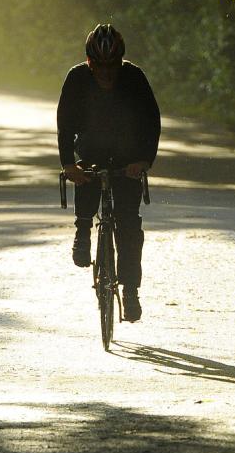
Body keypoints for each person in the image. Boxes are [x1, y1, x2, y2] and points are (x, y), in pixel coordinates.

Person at [57, 23, 161, 323]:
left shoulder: (135, 78)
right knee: (87, 173)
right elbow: (65, 124)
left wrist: (143, 160)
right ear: (89, 62)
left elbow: (151, 121)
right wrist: (68, 164)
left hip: (129, 153)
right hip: (91, 147)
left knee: (129, 225)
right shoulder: (77, 78)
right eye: (99, 67)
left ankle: (130, 291)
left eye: (112, 67)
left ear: (120, 63)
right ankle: (83, 227)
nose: (105, 74)